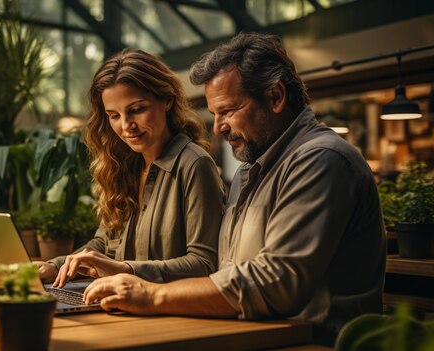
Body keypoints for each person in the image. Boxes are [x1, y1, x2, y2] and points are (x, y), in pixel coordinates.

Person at [83, 33, 386, 344]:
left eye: (227, 111)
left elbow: (275, 282)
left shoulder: (321, 159)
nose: (217, 127)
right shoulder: (248, 171)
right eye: (214, 115)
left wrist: (151, 295)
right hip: (252, 337)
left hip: (318, 343)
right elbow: (225, 271)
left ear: (276, 97)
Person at [37, 49, 225, 288]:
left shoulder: (195, 165)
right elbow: (102, 245)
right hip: (121, 306)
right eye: (114, 115)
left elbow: (204, 264)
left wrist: (126, 270)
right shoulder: (122, 166)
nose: (127, 126)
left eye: (136, 110)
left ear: (166, 100)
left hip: (170, 316)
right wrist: (55, 265)